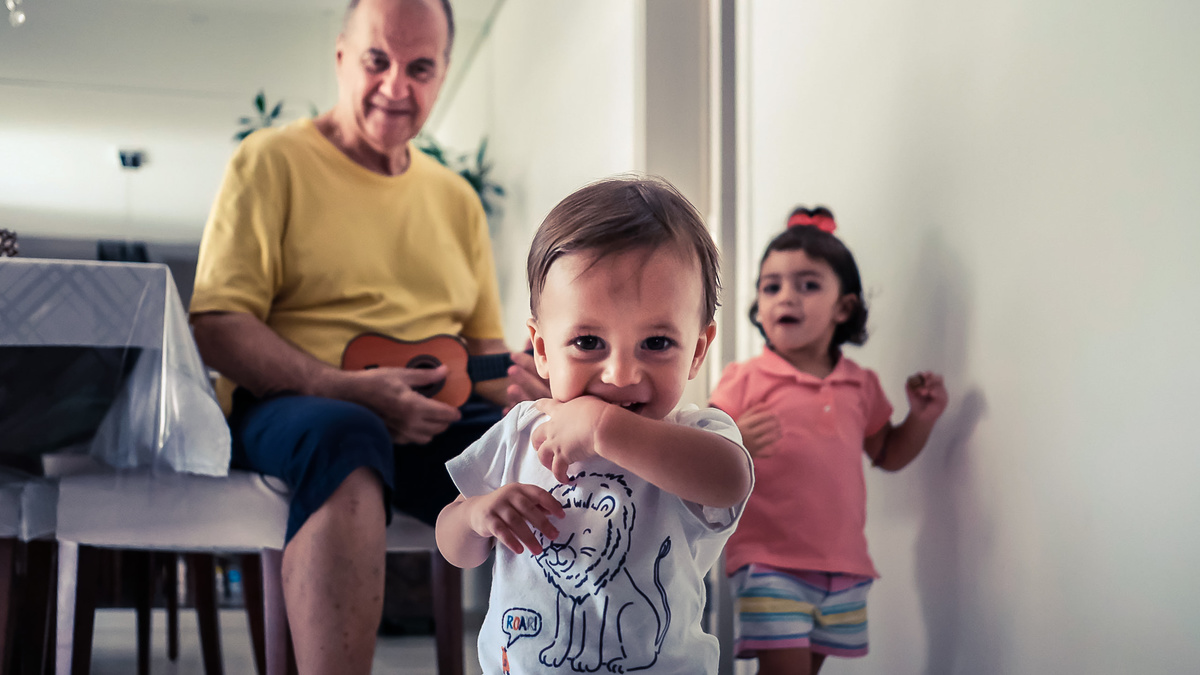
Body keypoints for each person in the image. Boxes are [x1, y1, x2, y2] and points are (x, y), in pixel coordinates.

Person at [189, 0, 543, 672]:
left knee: (546, 446)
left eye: (420, 68)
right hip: (294, 403)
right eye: (378, 61)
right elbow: (218, 325)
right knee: (349, 432)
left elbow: (486, 361)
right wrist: (344, 387)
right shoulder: (269, 161)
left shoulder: (457, 199)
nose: (396, 87)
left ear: (441, 76)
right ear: (342, 56)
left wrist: (544, 391)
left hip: (433, 410)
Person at [435, 176, 755, 674]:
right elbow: (452, 544)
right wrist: (478, 515)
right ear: (541, 349)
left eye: (656, 343)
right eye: (588, 342)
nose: (620, 375)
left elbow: (730, 480)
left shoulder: (694, 436)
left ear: (697, 350)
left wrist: (604, 427)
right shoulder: (521, 431)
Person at [708, 207, 949, 675]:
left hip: (843, 565)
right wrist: (735, 446)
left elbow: (886, 452)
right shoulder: (744, 379)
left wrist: (921, 419)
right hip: (768, 560)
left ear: (844, 308)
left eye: (808, 284)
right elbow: (699, 458)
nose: (785, 298)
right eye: (771, 286)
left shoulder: (861, 384)